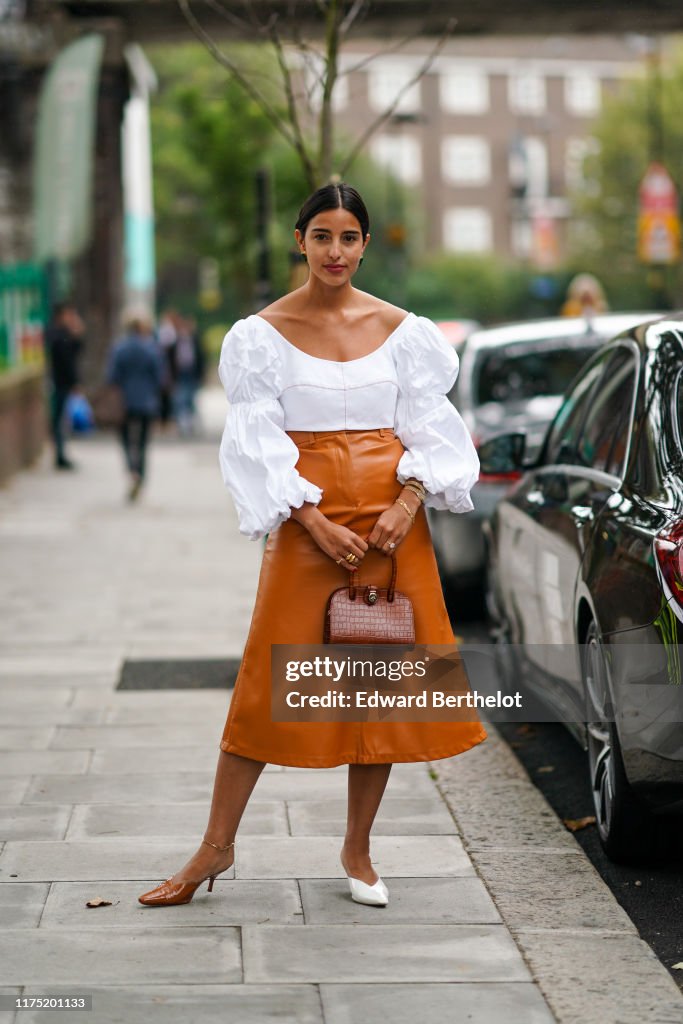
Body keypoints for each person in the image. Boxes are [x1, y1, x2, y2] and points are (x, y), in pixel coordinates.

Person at [138, 183, 487, 910]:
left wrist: (407, 503)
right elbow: (258, 444)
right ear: (299, 240)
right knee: (268, 683)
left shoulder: (405, 332)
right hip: (308, 536)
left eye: (349, 237)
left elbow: (433, 432)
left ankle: (358, 850)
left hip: (393, 532)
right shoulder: (258, 336)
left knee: (379, 690)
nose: (335, 251)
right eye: (321, 235)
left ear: (365, 244)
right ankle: (216, 846)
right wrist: (312, 520)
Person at [106, 309, 164, 501]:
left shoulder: (119, 348)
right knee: (143, 443)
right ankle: (140, 473)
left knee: (125, 440)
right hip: (147, 401)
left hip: (125, 401)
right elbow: (160, 377)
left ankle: (132, 469)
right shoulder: (151, 348)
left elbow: (112, 377)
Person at [44, 301, 85, 470]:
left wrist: (77, 333)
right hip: (59, 382)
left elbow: (76, 351)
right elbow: (66, 360)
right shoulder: (56, 334)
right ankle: (59, 455)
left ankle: (61, 453)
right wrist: (75, 382)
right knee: (59, 420)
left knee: (61, 420)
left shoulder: (62, 334)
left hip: (63, 382)